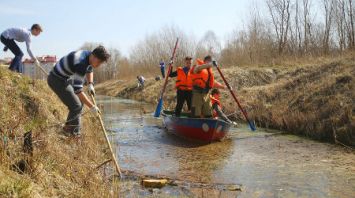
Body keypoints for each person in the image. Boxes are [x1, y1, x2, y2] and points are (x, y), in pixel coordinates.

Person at [47, 46, 110, 136]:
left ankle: (68, 128)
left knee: (79, 103)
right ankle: (75, 135)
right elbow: (78, 90)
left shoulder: (89, 56)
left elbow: (89, 69)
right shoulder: (81, 63)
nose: (99, 65)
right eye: (99, 62)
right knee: (76, 106)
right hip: (56, 80)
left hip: (65, 79)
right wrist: (92, 107)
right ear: (94, 56)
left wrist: (90, 84)